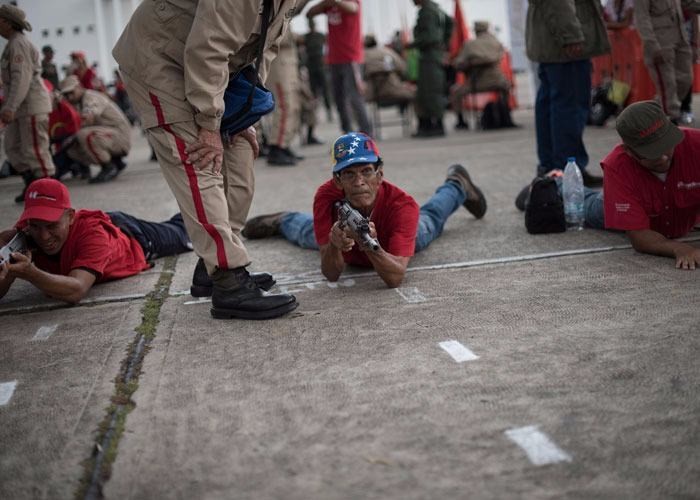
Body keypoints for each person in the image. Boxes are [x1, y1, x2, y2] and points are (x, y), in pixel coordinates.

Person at [112, 0, 298, 320]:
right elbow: (207, 48)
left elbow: (264, 48)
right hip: (158, 59)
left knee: (240, 153)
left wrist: (246, 110)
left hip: (213, 69)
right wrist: (209, 124)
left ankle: (211, 264)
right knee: (199, 161)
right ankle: (228, 279)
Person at [241, 132, 487, 287]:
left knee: (428, 223)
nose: (359, 182)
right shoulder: (326, 196)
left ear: (379, 175)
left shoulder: (402, 206)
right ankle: (284, 220)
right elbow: (331, 274)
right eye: (349, 174)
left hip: (387, 244)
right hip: (345, 242)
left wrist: (369, 243)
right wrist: (334, 245)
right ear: (337, 181)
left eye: (366, 172)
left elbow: (395, 277)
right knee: (307, 233)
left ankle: (456, 185)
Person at [516, 101, 700, 269]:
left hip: (677, 215)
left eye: (666, 146)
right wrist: (679, 249)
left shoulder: (696, 144)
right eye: (652, 153)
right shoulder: (617, 167)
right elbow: (641, 238)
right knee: (588, 204)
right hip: (620, 207)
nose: (663, 157)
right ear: (629, 151)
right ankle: (555, 182)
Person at [0, 178, 193, 304]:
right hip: (107, 224)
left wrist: (30, 273)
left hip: (135, 237)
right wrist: (7, 271)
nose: (43, 236)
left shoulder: (94, 236)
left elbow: (76, 290)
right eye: (35, 226)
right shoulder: (22, 235)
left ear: (70, 216)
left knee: (187, 231)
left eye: (51, 226)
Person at [526, 0, 610, 186]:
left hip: (550, 41)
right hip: (564, 44)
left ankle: (551, 168)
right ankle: (569, 170)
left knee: (551, 105)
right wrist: (570, 35)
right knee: (569, 107)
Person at [0, 5, 56, 204]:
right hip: (21, 107)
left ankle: (49, 191)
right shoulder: (13, 44)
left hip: (30, 106)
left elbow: (20, 78)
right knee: (13, 147)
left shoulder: (18, 44)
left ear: (7, 22)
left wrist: (10, 107)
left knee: (36, 150)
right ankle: (32, 183)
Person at [306, 0, 373, 136]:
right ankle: (347, 133)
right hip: (334, 59)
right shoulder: (328, 5)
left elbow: (353, 8)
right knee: (339, 99)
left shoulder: (350, 2)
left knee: (355, 97)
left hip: (351, 57)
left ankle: (367, 133)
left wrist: (335, 1)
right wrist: (325, 4)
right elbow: (309, 13)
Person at [635, 0, 700, 124]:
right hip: (661, 42)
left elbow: (689, 3)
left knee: (686, 79)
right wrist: (652, 44)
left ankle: (655, 112)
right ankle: (671, 120)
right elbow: (641, 18)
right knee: (667, 83)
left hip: (680, 39)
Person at [59, 75, 131, 183]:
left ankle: (108, 167)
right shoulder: (78, 102)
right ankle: (116, 162)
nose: (69, 97)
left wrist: (73, 135)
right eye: (66, 94)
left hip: (120, 136)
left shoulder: (90, 97)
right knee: (72, 147)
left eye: (71, 92)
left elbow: (89, 116)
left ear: (79, 87)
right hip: (109, 135)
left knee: (84, 135)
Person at [451, 20, 515, 130]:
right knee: (507, 87)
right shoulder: (496, 42)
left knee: (455, 92)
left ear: (476, 31)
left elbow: (458, 64)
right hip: (498, 82)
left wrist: (471, 63)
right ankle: (506, 115)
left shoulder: (470, 45)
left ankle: (461, 122)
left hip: (476, 83)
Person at [411, 0, 452, 138]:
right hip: (435, 55)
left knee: (430, 92)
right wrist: (444, 44)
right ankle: (432, 124)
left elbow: (430, 36)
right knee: (432, 90)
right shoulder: (436, 9)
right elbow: (450, 23)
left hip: (429, 56)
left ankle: (436, 125)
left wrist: (412, 44)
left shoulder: (427, 11)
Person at [266, 29, 304, 166]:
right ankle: (276, 147)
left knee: (293, 105)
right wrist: (296, 37)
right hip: (279, 64)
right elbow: (276, 36)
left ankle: (285, 143)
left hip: (289, 63)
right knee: (284, 105)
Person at [363, 34, 416, 104]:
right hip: (393, 90)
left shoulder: (362, 56)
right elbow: (403, 68)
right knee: (416, 92)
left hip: (372, 94)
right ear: (375, 41)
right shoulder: (386, 52)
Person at [304, 16, 333, 121]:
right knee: (313, 92)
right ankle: (314, 114)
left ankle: (328, 111)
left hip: (320, 65)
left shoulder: (320, 36)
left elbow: (329, 45)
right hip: (312, 66)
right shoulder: (306, 37)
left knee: (325, 91)